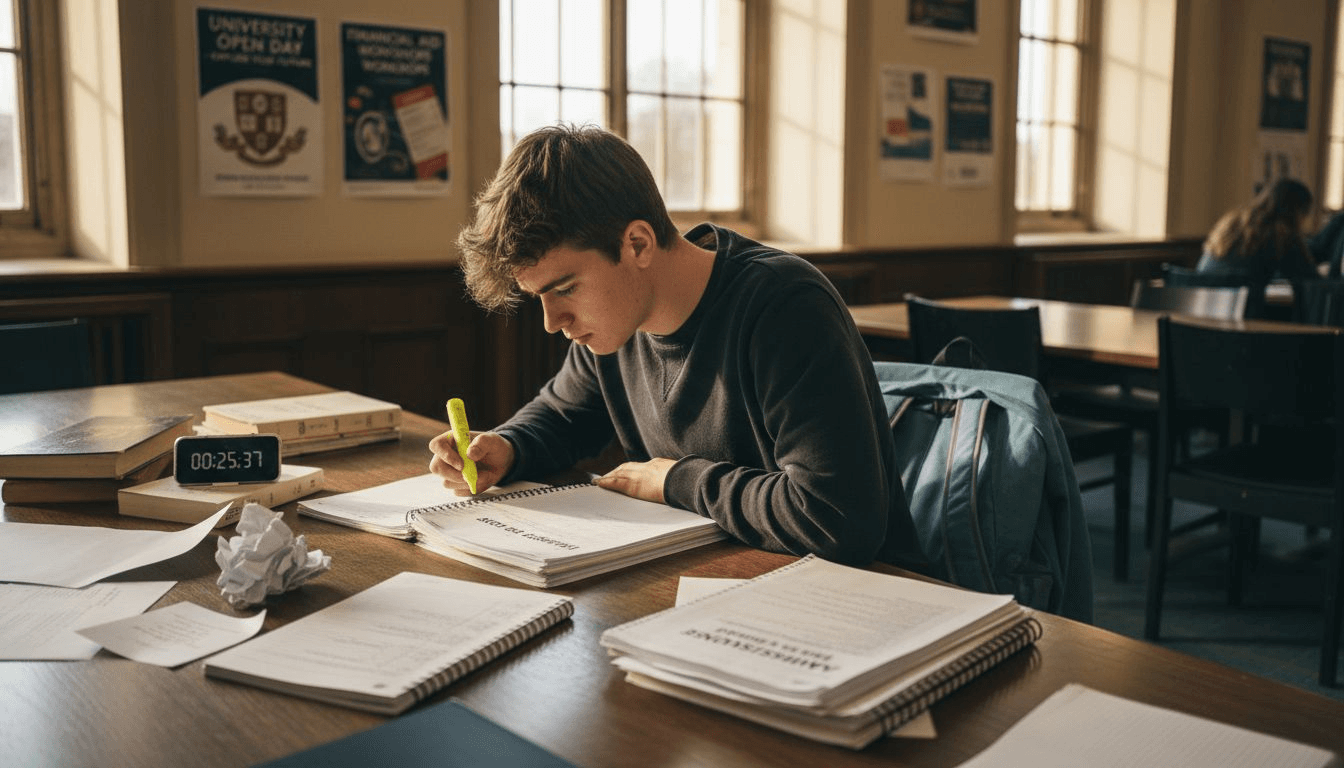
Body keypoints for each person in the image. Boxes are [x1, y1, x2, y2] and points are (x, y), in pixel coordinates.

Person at [427, 123, 923, 568]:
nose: (552, 322)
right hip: (719, 579)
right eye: (539, 296)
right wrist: (509, 447)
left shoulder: (786, 307)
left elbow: (836, 519)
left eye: (566, 288)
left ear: (637, 244)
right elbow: (563, 416)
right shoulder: (616, 323)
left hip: (867, 598)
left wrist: (676, 482)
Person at [1196, 177, 1318, 284]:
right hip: (1241, 300)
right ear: (1298, 212)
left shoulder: (1232, 222)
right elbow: (1310, 280)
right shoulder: (1282, 234)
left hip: (1202, 298)